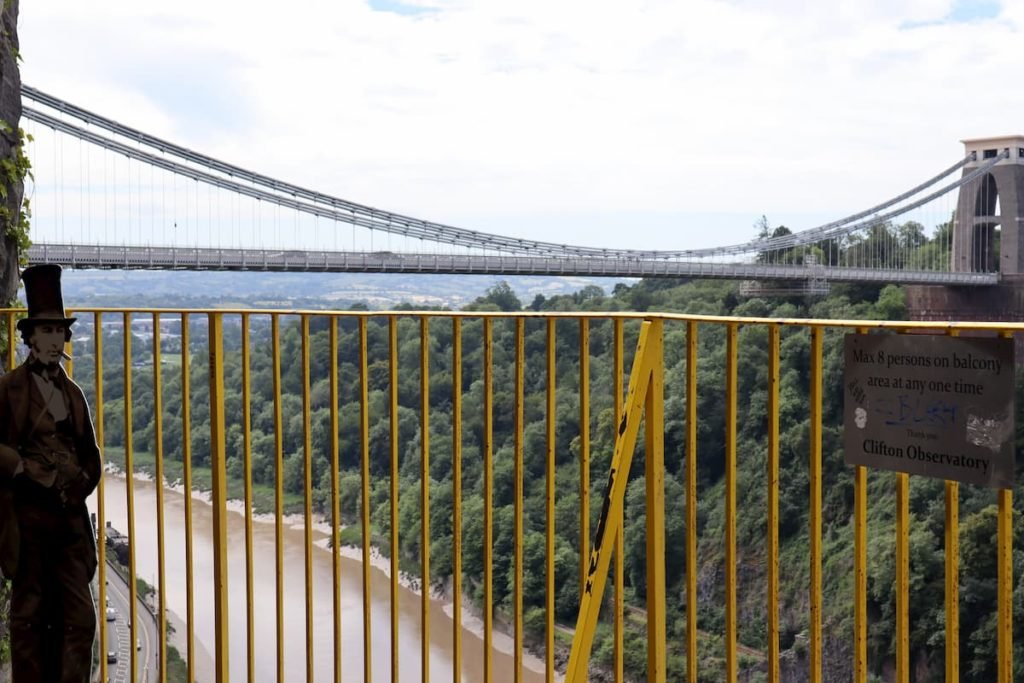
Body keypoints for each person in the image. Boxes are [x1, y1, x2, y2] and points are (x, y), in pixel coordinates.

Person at [0, 264, 102, 682]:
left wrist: (78, 485)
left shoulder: (73, 395)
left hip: (69, 523)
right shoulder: (8, 390)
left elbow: (92, 458)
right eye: (45, 332)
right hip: (27, 520)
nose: (54, 341)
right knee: (28, 621)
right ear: (29, 339)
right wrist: (23, 468)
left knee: (80, 620)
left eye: (59, 333)